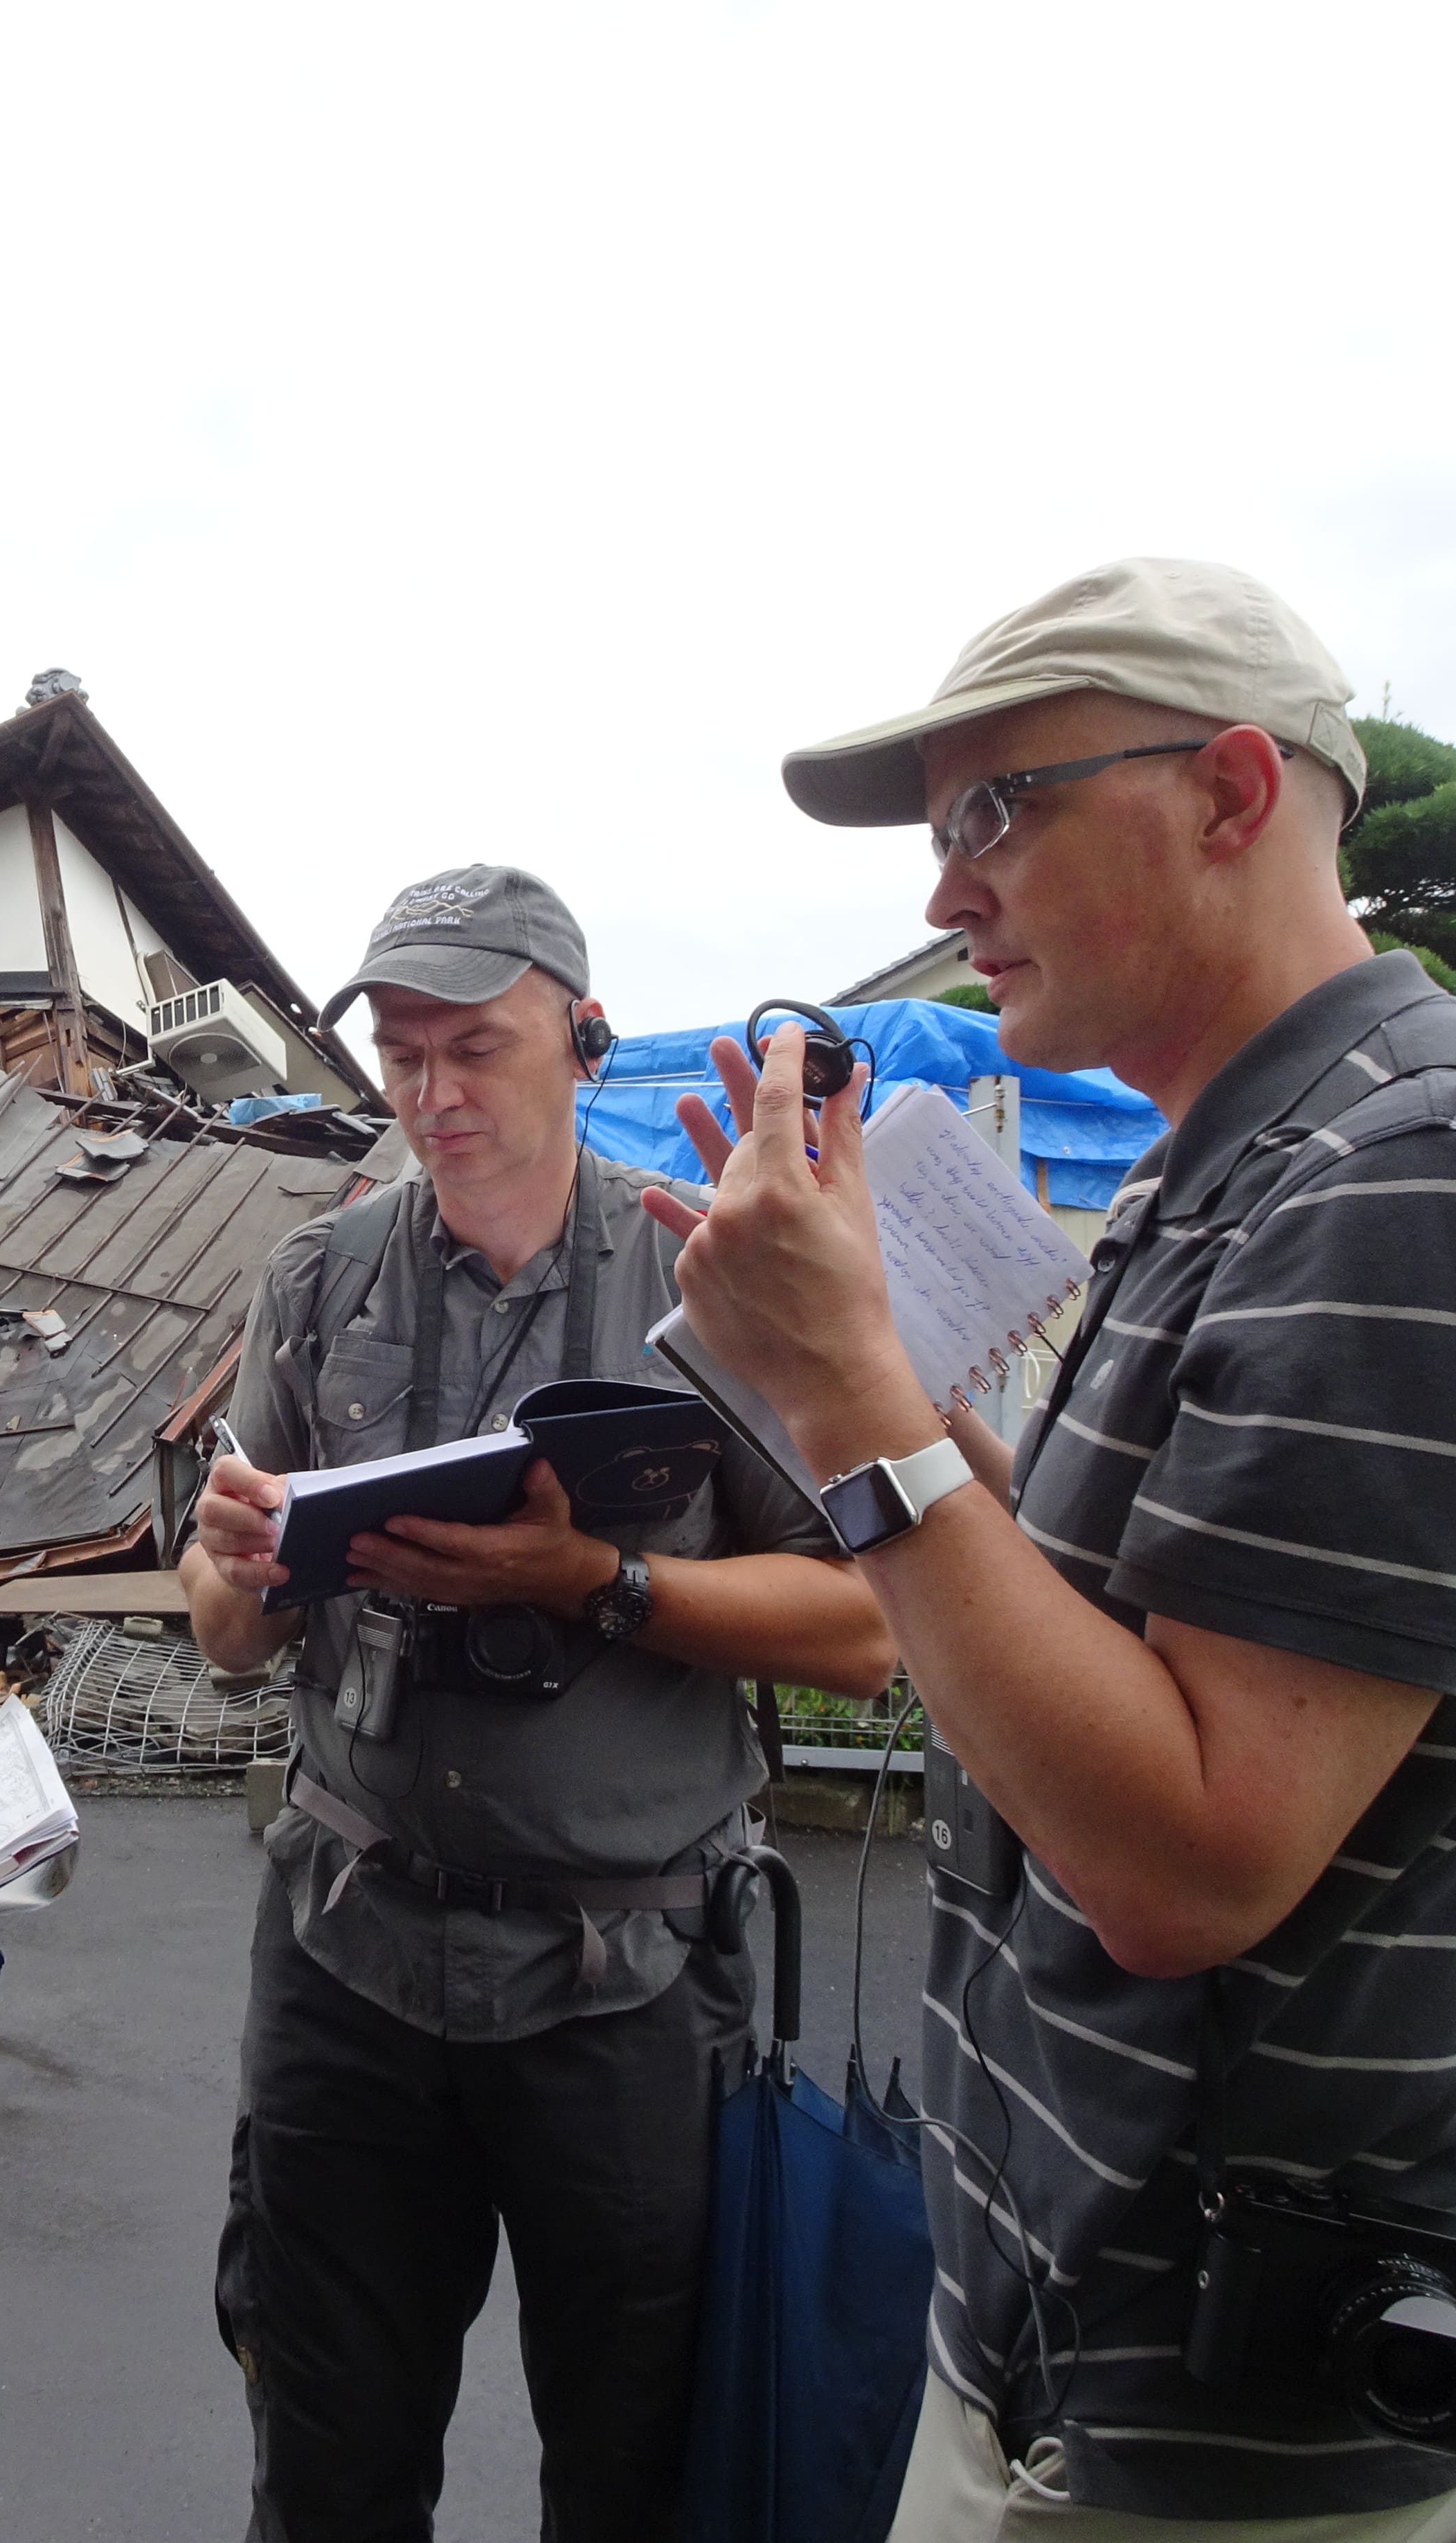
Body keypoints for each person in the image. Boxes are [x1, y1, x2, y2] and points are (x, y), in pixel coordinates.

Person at [658, 558, 1456, 2537]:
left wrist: (856, 1406)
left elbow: (1186, 1859)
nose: (946, 892)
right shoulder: (1256, 1157)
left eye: (993, 811)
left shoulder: (1420, 1177)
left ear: (1226, 796)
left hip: (1239, 2424)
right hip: (1114, 2346)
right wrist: (899, 1415)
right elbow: (1128, 1640)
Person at [185, 865, 900, 2542]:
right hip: (347, 1959)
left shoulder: (709, 1282)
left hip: (626, 1986)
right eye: (405, 1053)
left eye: (476, 1050)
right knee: (328, 2460)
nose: (433, 1096)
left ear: (585, 1043)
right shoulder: (318, 1281)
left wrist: (594, 1583)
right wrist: (245, 1566)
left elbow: (867, 1627)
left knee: (633, 2467)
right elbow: (221, 1633)